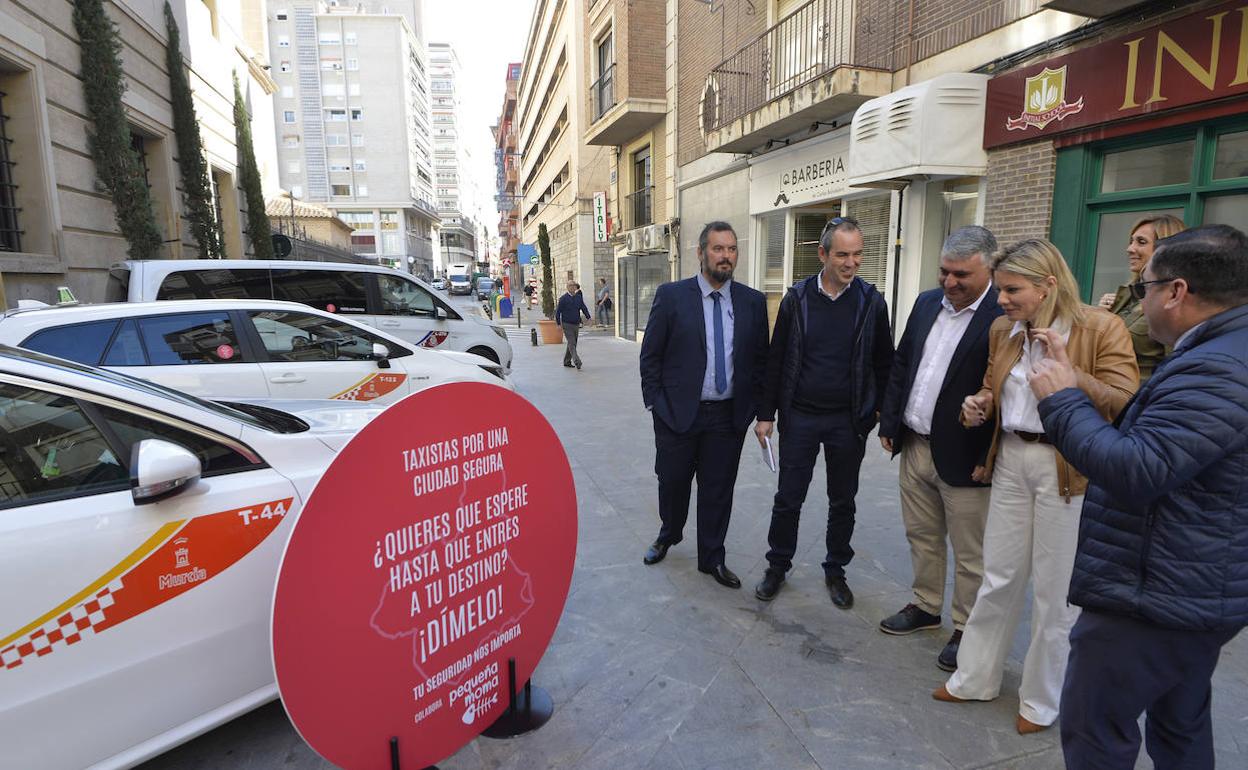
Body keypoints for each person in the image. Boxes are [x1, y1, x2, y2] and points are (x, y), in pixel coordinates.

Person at [1029, 225, 1248, 769]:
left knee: (1097, 731)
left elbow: (1138, 469)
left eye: (1145, 285)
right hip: (1192, 583)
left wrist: (1060, 402)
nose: (1139, 297)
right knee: (1180, 726)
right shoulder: (1220, 349)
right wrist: (1075, 378)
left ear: (1176, 291)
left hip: (1154, 592)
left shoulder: (1216, 367)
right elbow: (1168, 443)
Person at [932, 238, 1138, 735]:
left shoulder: (1099, 327)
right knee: (998, 576)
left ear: (1048, 285)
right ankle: (974, 677)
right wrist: (979, 401)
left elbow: (1123, 402)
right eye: (1001, 289)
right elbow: (993, 382)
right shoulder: (1005, 330)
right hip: (1010, 459)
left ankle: (1042, 701)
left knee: (1055, 591)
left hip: (1067, 467)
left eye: (1012, 289)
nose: (1001, 300)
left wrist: (1072, 376)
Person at [876, 226, 1002, 672]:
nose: (949, 283)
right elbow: (903, 363)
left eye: (961, 275)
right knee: (922, 535)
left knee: (972, 553)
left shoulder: (1002, 315)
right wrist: (890, 422)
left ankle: (966, 627)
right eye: (944, 272)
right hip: (915, 443)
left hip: (966, 456)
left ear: (989, 267)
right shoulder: (928, 303)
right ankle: (926, 605)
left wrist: (989, 457)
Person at [753, 216, 893, 608]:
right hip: (800, 417)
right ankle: (777, 566)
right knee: (788, 499)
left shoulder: (871, 302)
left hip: (848, 422)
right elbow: (776, 359)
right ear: (823, 254)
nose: (852, 263)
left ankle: (836, 570)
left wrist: (882, 413)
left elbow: (885, 362)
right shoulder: (796, 300)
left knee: (842, 500)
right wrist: (767, 415)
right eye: (843, 255)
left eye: (858, 254)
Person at [639, 221, 769, 588]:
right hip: (677, 414)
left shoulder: (752, 302)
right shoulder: (671, 296)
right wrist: (655, 403)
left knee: (718, 489)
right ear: (701, 253)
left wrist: (760, 412)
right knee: (673, 481)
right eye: (718, 249)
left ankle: (712, 557)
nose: (725, 256)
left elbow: (760, 361)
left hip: (727, 417)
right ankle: (669, 532)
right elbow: (651, 356)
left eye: (731, 249)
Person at [1097, 214, 1187, 382]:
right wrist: (1100, 315)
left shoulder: (1174, 298)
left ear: (1164, 248)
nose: (1130, 248)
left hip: (1138, 400)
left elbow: (1175, 364)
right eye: (1131, 241)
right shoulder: (1127, 294)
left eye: (1141, 242)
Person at [554, 281, 591, 370]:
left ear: (575, 287)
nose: (572, 287)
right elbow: (558, 312)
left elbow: (583, 308)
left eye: (573, 285)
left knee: (572, 343)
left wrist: (588, 318)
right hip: (567, 324)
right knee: (572, 342)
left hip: (576, 324)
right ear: (567, 287)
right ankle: (577, 361)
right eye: (570, 285)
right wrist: (558, 323)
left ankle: (566, 361)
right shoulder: (563, 298)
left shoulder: (578, 297)